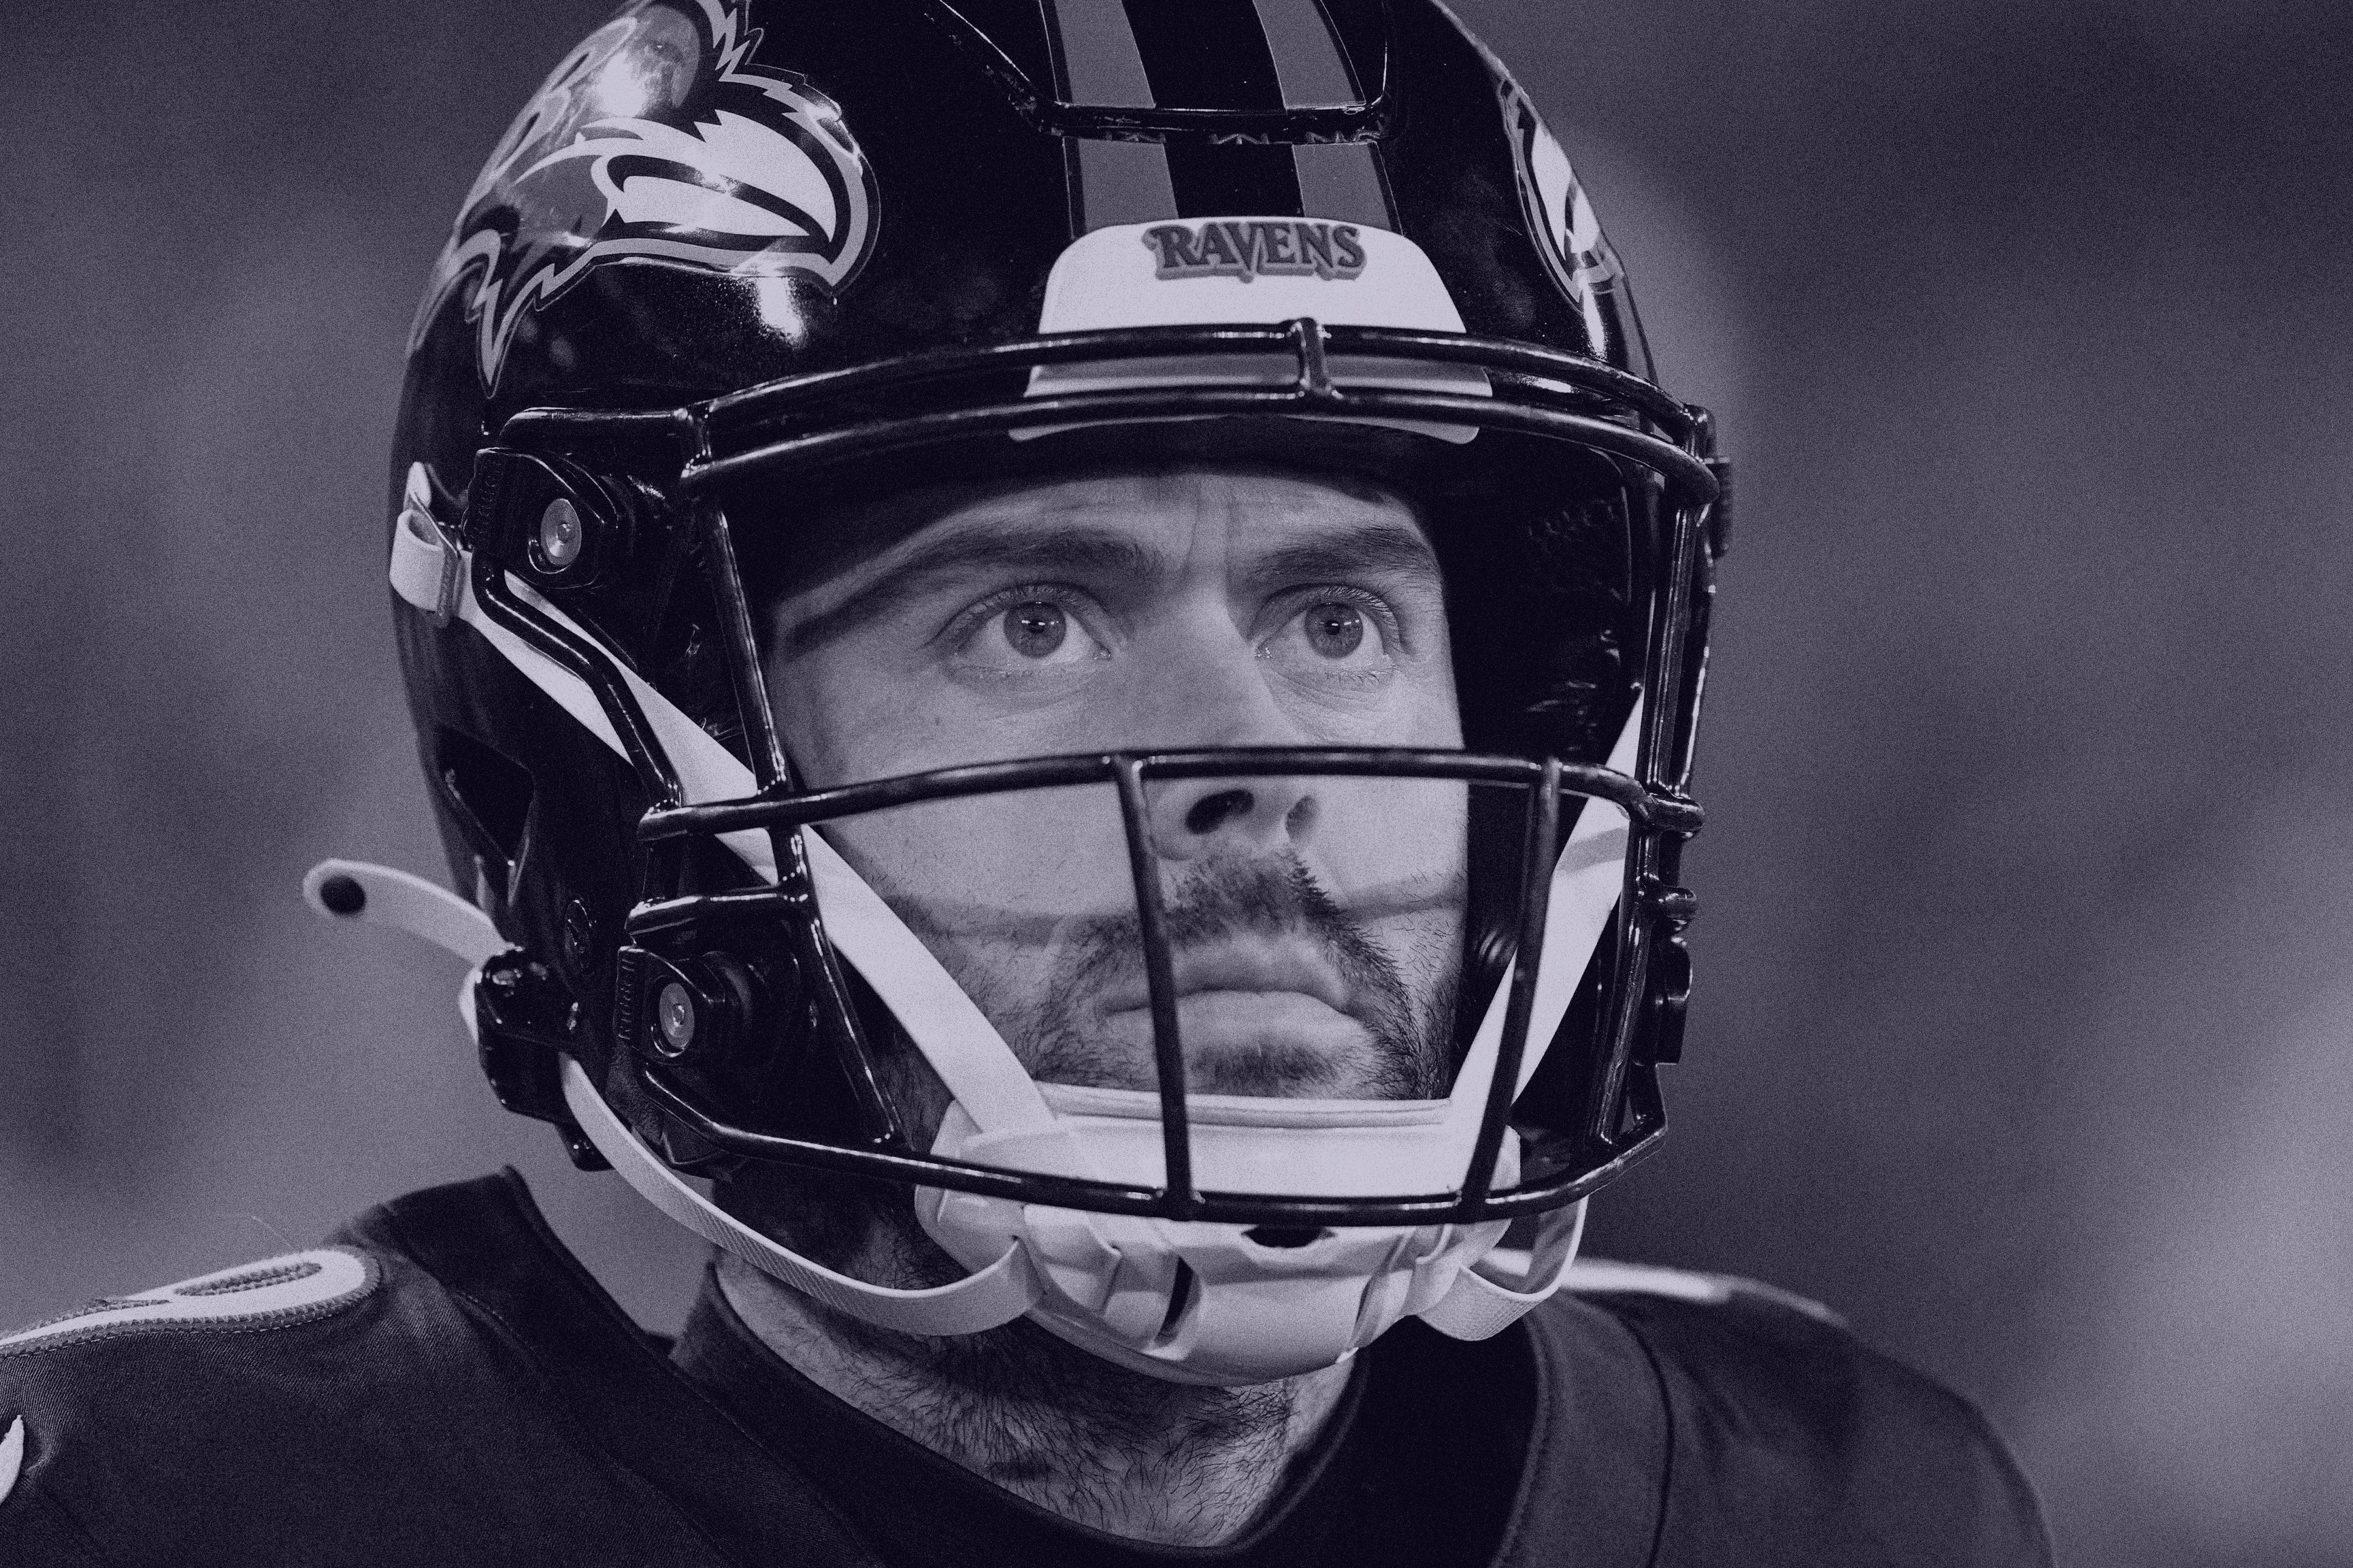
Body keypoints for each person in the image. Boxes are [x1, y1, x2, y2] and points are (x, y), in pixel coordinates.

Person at [0, 1, 2052, 1562]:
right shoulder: (189, 1514)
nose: (1247, 764)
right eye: (1033, 620)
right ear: (620, 763)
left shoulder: (1839, 1504)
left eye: (1336, 622)